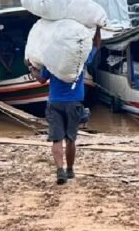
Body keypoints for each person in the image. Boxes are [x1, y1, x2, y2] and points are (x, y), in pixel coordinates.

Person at [30, 27, 100, 185]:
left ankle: (60, 170)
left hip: (54, 103)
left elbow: (41, 79)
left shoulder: (52, 60)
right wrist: (98, 29)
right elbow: (96, 45)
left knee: (57, 140)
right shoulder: (79, 59)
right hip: (74, 103)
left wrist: (32, 70)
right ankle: (70, 169)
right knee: (70, 139)